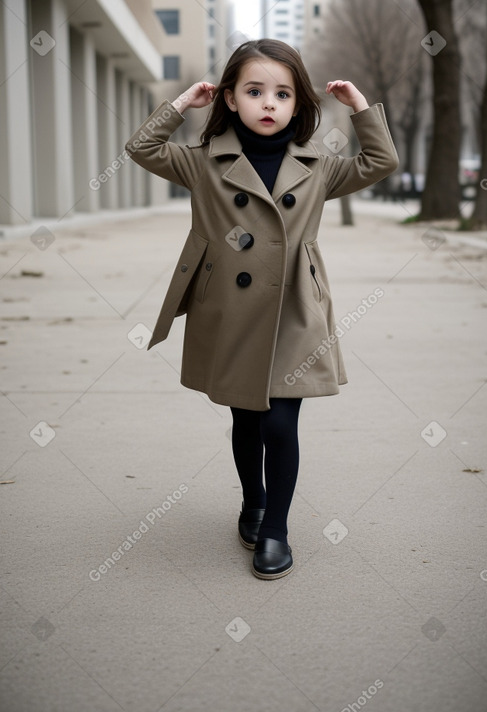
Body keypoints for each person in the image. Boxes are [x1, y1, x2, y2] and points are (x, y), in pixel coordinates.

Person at [125, 39, 398, 580]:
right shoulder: (204, 163)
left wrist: (361, 107)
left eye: (282, 94)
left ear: (298, 105)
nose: (268, 103)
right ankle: (253, 502)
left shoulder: (318, 165)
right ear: (229, 98)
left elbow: (381, 161)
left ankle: (276, 528)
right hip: (230, 310)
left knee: (280, 420)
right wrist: (182, 102)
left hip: (295, 307)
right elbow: (141, 148)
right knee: (246, 417)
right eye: (254, 92)